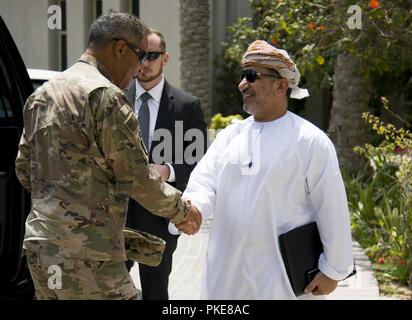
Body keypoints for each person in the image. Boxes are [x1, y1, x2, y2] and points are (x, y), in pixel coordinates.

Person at [14, 12, 201, 300]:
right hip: (88, 256)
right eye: (140, 56)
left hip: (42, 248)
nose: (141, 66)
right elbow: (137, 177)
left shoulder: (42, 94)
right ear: (120, 49)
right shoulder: (106, 96)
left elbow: (24, 169)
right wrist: (183, 212)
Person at [182, 40, 354, 299]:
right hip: (225, 280)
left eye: (251, 76)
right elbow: (204, 184)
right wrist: (193, 209)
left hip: (279, 283)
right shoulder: (230, 136)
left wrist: (333, 270)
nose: (242, 84)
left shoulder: (310, 141)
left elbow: (332, 208)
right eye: (242, 76)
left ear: (281, 85)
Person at [124, 28, 207, 300]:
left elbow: (197, 160)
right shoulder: (114, 98)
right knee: (107, 290)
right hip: (114, 212)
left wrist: (168, 170)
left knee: (155, 290)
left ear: (166, 58)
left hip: (158, 215)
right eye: (138, 55)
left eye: (151, 55)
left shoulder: (187, 106)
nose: (143, 62)